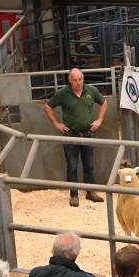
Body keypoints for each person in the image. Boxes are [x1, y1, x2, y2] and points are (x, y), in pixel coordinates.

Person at [44, 68, 108, 208]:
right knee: (72, 166)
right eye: (75, 80)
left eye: (80, 79)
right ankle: (74, 195)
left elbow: (103, 102)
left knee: (89, 165)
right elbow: (48, 106)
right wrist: (56, 123)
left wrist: (100, 119)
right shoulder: (63, 93)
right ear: (70, 80)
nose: (78, 83)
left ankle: (91, 192)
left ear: (83, 79)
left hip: (88, 133)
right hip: (71, 133)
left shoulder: (91, 90)